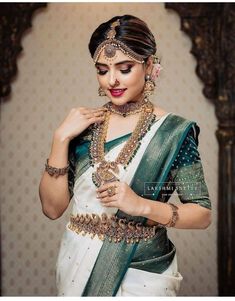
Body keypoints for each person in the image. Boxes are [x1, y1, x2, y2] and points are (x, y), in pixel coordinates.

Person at [39, 15, 211, 296]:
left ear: (148, 65)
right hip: (76, 264)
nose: (112, 80)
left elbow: (202, 214)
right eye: (102, 70)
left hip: (142, 271)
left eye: (125, 68)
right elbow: (52, 209)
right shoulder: (83, 128)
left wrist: (140, 205)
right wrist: (59, 139)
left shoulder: (173, 132)